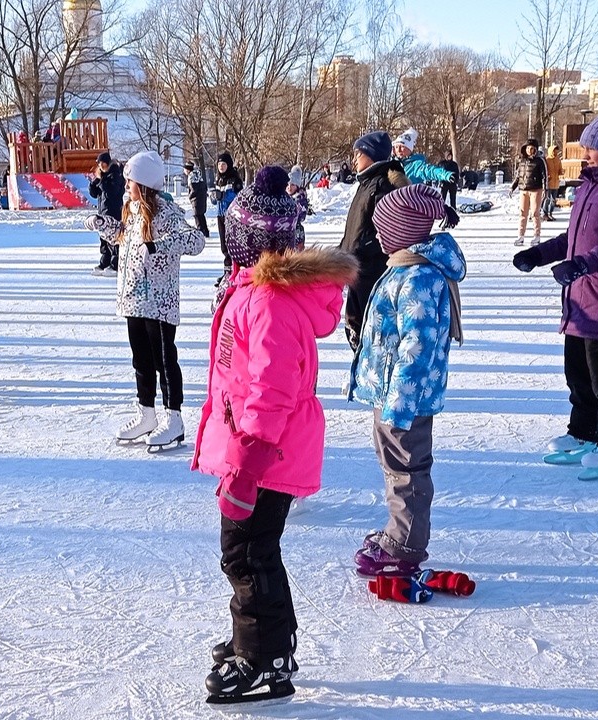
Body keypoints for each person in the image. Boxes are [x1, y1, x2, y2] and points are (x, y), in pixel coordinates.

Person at [191, 165, 358, 703]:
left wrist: (247, 464)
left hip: (264, 454)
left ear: (244, 241)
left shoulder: (266, 302)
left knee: (246, 556)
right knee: (257, 552)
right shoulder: (252, 291)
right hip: (258, 448)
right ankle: (269, 642)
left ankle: (261, 659)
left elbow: (271, 391)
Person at [512, 107, 598, 480]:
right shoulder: (591, 183)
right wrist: (538, 254)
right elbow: (572, 238)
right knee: (577, 373)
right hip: (578, 298)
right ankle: (585, 432)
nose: (586, 150)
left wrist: (583, 265)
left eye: (592, 145)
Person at [349, 183, 466, 577]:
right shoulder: (404, 267)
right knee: (395, 466)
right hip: (394, 395)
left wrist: (398, 404)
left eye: (384, 229)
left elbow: (416, 348)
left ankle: (406, 544)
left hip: (405, 400)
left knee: (407, 471)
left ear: (402, 231)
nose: (378, 236)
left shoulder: (417, 278)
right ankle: (399, 531)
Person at [84, 150, 205, 448]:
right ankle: (146, 413)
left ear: (144, 183)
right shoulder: (132, 209)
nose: (125, 186)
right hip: (133, 298)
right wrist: (104, 225)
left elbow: (196, 239)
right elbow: (124, 237)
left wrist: (159, 246)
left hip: (159, 302)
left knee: (165, 361)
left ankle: (173, 418)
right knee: (141, 360)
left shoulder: (167, 212)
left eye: (130, 181)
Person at [339, 131, 409, 351]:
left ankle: (367, 374)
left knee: (366, 328)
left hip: (371, 270)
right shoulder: (367, 183)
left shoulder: (381, 186)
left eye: (358, 154)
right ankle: (360, 370)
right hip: (356, 267)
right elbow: (356, 227)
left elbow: (387, 232)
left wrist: (361, 250)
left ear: (371, 155)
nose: (353, 160)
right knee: (353, 324)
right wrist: (341, 251)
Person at [88, 151, 125, 277]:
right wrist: (95, 181)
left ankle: (115, 263)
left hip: (114, 212)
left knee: (114, 238)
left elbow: (112, 193)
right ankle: (105, 261)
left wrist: (102, 181)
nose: (100, 167)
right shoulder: (103, 176)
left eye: (101, 164)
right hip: (103, 211)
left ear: (106, 163)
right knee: (104, 238)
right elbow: (94, 194)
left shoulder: (116, 174)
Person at [210, 152, 243, 282]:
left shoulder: (234, 179)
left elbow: (239, 196)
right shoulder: (219, 179)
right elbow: (215, 198)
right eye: (219, 164)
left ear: (228, 165)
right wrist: (214, 197)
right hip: (220, 215)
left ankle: (235, 272)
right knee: (224, 245)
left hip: (232, 216)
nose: (221, 167)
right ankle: (227, 272)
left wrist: (223, 196)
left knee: (232, 244)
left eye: (223, 164)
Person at [510, 137, 548, 246]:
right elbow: (518, 176)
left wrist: (546, 189)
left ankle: (537, 236)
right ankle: (520, 236)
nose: (529, 150)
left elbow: (544, 176)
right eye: (527, 148)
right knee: (522, 213)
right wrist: (513, 187)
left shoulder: (540, 161)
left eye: (531, 148)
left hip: (536, 189)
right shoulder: (522, 161)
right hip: (523, 189)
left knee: (535, 213)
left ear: (535, 149)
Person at [183, 161, 209, 237]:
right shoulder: (198, 174)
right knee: (201, 215)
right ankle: (206, 231)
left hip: (196, 199)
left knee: (197, 215)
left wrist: (190, 196)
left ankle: (200, 231)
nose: (184, 171)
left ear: (187, 169)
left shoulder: (191, 176)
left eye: (184, 169)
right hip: (202, 198)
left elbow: (193, 190)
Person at [286, 165, 309, 249]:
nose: (289, 187)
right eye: (287, 184)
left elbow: (300, 216)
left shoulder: (300, 199)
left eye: (292, 185)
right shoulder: (285, 198)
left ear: (297, 186)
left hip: (297, 233)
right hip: (288, 232)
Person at [543, 145, 563, 221]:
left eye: (556, 150)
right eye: (554, 150)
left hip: (556, 183)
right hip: (549, 183)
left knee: (553, 200)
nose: (555, 152)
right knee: (547, 199)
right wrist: (547, 176)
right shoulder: (547, 160)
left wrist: (562, 172)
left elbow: (560, 170)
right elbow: (544, 171)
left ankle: (550, 213)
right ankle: (545, 213)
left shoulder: (558, 160)